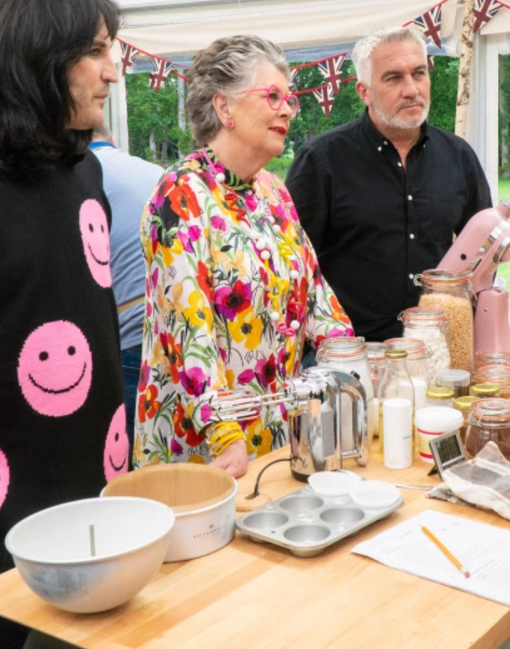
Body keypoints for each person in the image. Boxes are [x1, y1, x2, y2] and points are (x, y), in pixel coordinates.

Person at [137, 35, 353, 478]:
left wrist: (354, 368)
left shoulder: (275, 192)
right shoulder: (181, 194)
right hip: (206, 452)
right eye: (272, 96)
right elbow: (187, 330)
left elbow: (316, 298)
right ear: (224, 108)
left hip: (277, 440)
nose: (288, 109)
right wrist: (227, 436)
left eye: (289, 98)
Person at [0, 0, 126, 572]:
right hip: (13, 502)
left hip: (98, 473)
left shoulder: (85, 172)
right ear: (39, 60)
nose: (114, 71)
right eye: (96, 51)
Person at [285, 26, 493, 341]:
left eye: (419, 73)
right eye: (393, 78)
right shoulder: (320, 160)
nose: (411, 89)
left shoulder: (458, 156)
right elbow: (294, 266)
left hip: (440, 348)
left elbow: (484, 250)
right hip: (351, 353)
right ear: (364, 91)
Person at [90, 125, 163, 449]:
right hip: (174, 337)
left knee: (129, 460)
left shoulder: (83, 177)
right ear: (114, 141)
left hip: (128, 340)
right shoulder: (159, 172)